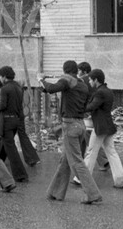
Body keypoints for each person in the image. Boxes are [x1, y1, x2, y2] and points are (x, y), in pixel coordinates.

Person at [41, 60, 102, 205]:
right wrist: (45, 85)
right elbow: (57, 88)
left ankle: (93, 194)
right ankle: (55, 192)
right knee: (66, 161)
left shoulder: (67, 79)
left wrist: (41, 80)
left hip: (70, 126)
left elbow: (52, 88)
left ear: (65, 70)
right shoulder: (82, 84)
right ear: (77, 71)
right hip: (80, 125)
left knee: (76, 162)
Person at [82, 69, 123, 188]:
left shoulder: (99, 93)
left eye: (91, 80)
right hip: (108, 126)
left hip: (100, 127)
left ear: (96, 80)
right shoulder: (108, 91)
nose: (90, 82)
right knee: (112, 152)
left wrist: (79, 108)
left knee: (91, 152)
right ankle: (120, 180)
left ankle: (82, 179)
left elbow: (93, 106)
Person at [0, 66, 30, 182]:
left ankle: (20, 175)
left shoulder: (5, 89)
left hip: (6, 121)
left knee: (10, 148)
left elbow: (2, 106)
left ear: (4, 76)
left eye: (0, 76)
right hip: (16, 120)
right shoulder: (18, 87)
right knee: (5, 145)